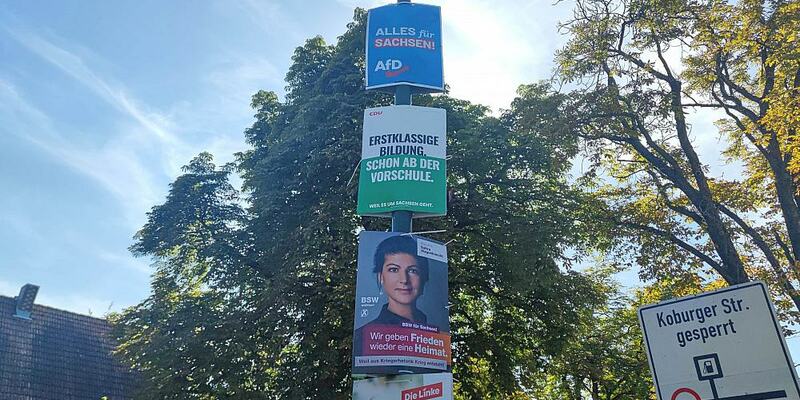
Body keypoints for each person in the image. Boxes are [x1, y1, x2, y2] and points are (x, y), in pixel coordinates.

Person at [352, 235, 445, 375]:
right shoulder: (363, 337)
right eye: (394, 269)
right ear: (380, 277)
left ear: (424, 277)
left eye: (413, 270)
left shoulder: (437, 340)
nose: (404, 280)